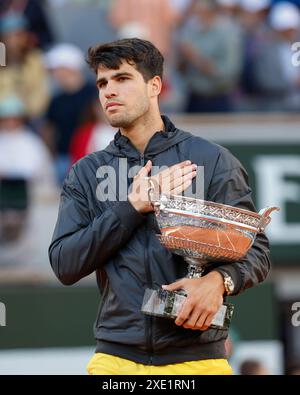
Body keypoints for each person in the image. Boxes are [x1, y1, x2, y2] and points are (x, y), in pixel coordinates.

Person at [49, 38, 271, 375]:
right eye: (102, 83)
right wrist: (132, 206)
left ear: (155, 86)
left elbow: (256, 250)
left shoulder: (213, 160)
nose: (109, 91)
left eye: (122, 79)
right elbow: (65, 263)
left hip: (200, 358)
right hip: (116, 359)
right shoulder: (86, 172)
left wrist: (218, 281)